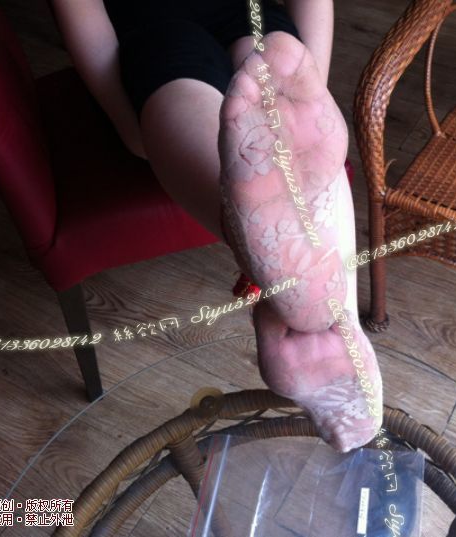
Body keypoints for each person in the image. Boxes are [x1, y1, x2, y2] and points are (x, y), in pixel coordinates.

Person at [51, 0, 383, 452]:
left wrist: (307, 87)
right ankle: (326, 300)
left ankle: (260, 240)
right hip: (156, 23)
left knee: (222, 76)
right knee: (210, 82)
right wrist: (127, 123)